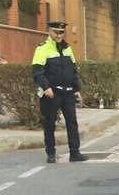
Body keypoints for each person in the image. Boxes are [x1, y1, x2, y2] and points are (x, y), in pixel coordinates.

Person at [31, 20, 86, 163]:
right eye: (56, 32)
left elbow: (73, 71)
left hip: (68, 93)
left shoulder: (68, 48)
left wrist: (77, 89)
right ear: (49, 31)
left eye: (61, 32)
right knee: (49, 123)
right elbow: (37, 72)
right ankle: (50, 153)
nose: (59, 35)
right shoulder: (42, 48)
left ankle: (75, 153)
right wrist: (46, 87)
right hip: (52, 93)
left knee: (72, 122)